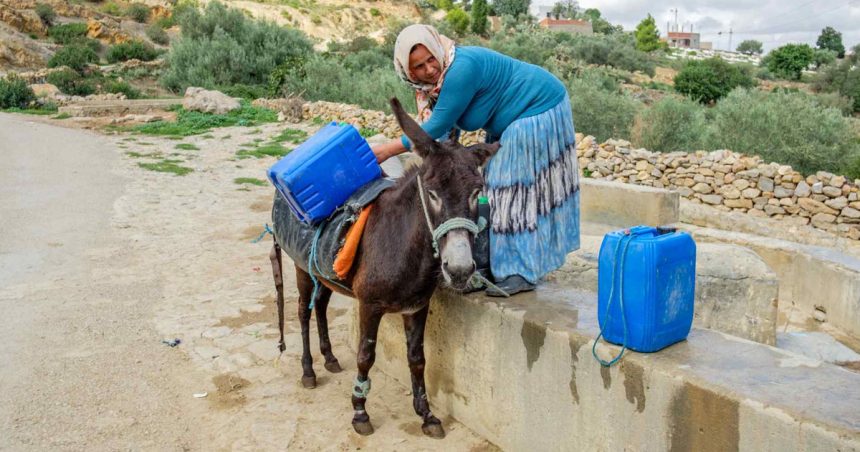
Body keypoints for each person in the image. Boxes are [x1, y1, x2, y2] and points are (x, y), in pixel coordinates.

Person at [371, 24, 580, 296]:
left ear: (438, 50)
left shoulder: (459, 70)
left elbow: (435, 127)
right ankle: (490, 262)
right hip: (509, 122)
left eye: (431, 58)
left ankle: (519, 271)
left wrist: (387, 151)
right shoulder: (433, 89)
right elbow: (447, 135)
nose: (430, 69)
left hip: (536, 109)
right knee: (487, 190)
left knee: (510, 191)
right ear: (408, 72)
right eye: (419, 66)